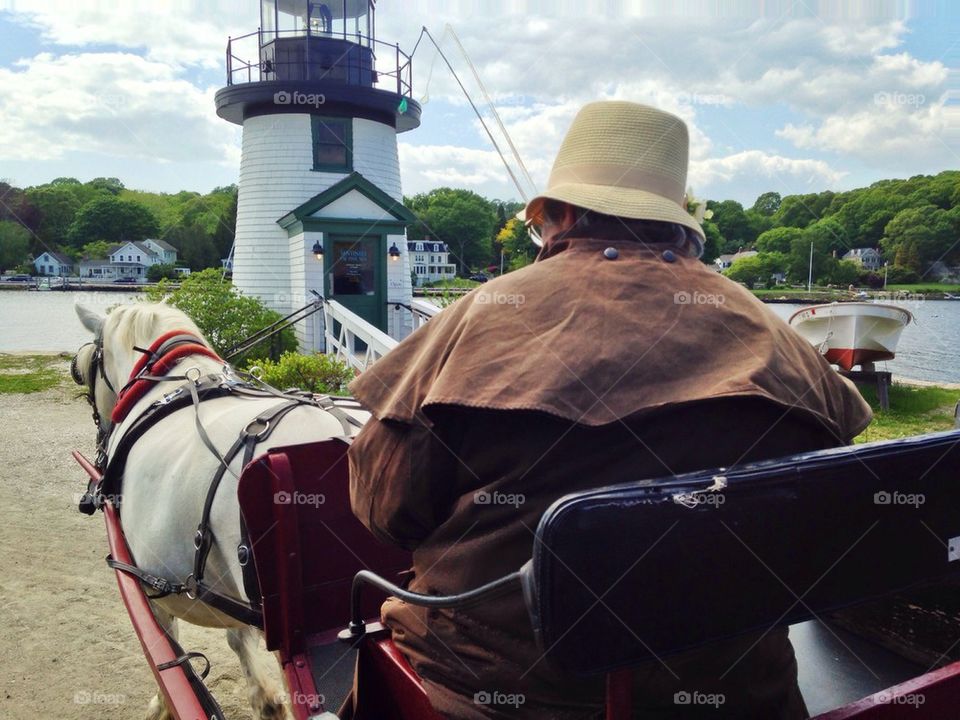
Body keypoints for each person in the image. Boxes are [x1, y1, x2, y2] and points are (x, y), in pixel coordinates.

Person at [347, 101, 872, 719]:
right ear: (677, 222)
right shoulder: (770, 332)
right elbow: (827, 513)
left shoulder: (485, 315)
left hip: (505, 693)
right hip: (742, 694)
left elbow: (385, 512)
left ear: (562, 215)